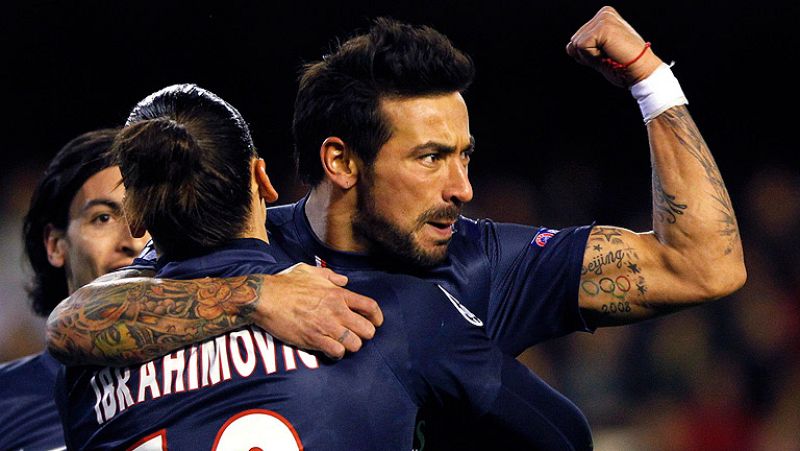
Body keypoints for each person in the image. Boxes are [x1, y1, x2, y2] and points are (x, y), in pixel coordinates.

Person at [48, 6, 746, 447]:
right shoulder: (251, 246)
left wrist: (651, 81)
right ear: (341, 161)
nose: (462, 187)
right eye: (431, 157)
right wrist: (257, 297)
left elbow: (704, 266)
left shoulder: (487, 262)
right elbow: (76, 319)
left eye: (465, 155)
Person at [56, 83, 593, 450]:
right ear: (262, 180)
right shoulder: (370, 313)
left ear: (136, 217)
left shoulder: (85, 369)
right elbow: (564, 436)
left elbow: (71, 323)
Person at [0, 129, 150, 450]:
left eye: (150, 217)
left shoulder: (225, 369)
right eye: (104, 218)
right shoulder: (6, 400)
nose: (134, 241)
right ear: (55, 245)